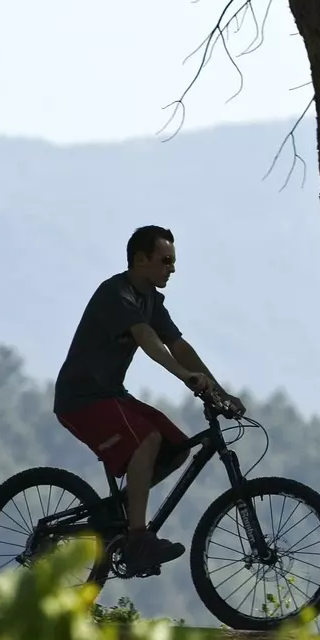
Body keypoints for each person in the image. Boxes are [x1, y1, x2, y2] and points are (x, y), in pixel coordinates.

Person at [54, 225, 243, 576]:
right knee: (147, 440)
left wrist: (219, 391)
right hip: (81, 398)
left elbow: (178, 345)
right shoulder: (117, 294)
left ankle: (123, 511)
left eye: (173, 261)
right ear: (140, 260)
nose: (172, 268)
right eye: (165, 260)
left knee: (177, 445)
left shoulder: (151, 300)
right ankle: (137, 538)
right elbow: (148, 340)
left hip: (110, 394)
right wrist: (185, 377)